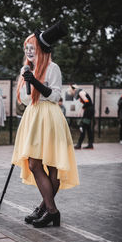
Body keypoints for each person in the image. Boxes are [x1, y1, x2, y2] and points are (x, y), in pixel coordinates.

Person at [11, 21, 79, 228]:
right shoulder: (27, 69)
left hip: (49, 117)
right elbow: (24, 99)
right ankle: (47, 209)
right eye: (26, 48)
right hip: (33, 116)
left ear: (41, 49)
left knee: (52, 166)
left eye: (32, 48)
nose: (29, 51)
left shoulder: (53, 68)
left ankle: (49, 210)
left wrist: (36, 81)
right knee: (34, 164)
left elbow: (55, 95)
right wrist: (27, 79)